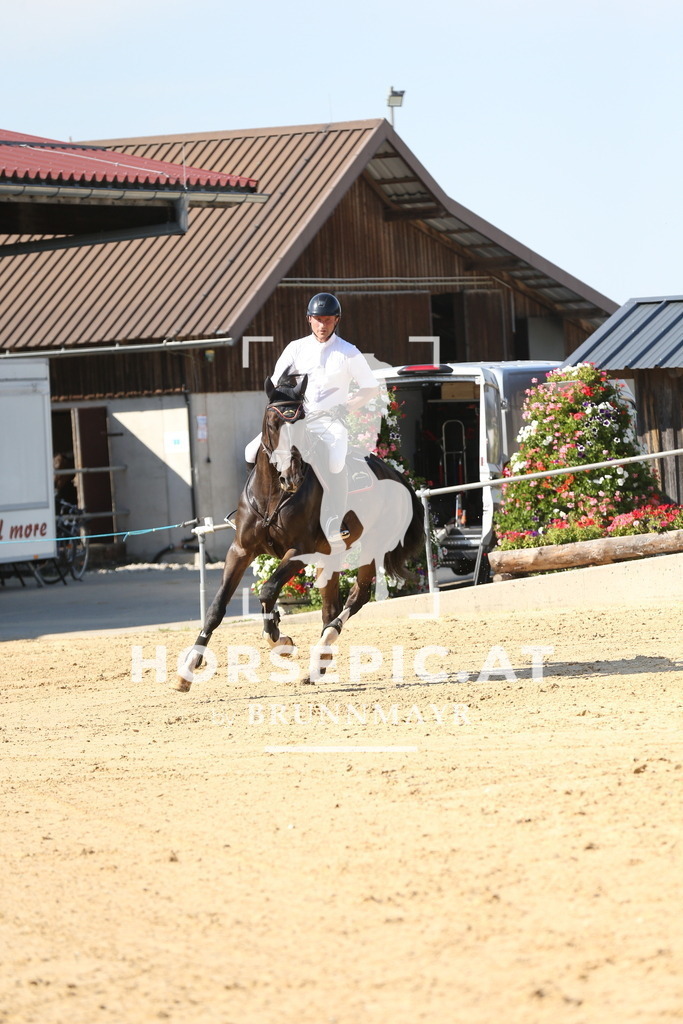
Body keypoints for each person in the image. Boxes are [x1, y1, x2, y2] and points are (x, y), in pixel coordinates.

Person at [245, 292, 380, 549]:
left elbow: (370, 388)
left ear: (336, 320)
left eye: (328, 319)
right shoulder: (296, 348)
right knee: (250, 450)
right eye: (318, 319)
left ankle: (334, 520)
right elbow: (276, 382)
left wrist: (347, 406)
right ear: (309, 319)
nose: (322, 325)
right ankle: (250, 511)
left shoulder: (348, 352)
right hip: (296, 421)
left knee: (336, 458)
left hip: (330, 423)